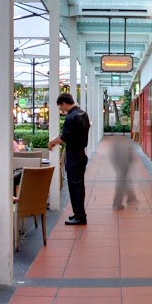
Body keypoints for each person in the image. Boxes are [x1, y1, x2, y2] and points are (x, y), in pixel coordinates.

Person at [56, 91, 91, 225]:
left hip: (73, 155)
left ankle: (79, 215)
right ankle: (79, 213)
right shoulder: (83, 114)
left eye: (61, 106)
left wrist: (53, 142)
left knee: (74, 185)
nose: (61, 109)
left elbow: (64, 137)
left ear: (64, 103)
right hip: (81, 154)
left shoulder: (71, 117)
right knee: (79, 184)